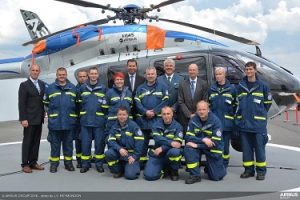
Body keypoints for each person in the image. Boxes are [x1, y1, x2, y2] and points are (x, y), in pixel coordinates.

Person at [236, 61, 272, 181]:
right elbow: (237, 104)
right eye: (247, 69)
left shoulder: (263, 86)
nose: (249, 71)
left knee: (260, 149)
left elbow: (267, 104)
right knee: (246, 150)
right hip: (244, 124)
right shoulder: (240, 86)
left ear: (255, 70)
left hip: (258, 125)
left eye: (251, 69)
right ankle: (248, 170)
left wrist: (258, 115)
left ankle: (261, 171)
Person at [43, 67, 77, 173]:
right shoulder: (50, 88)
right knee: (55, 145)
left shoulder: (73, 88)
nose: (62, 76)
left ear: (66, 75)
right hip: (55, 122)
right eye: (60, 74)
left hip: (69, 122)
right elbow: (45, 103)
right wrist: (51, 114)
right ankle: (54, 164)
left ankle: (68, 163)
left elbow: (77, 104)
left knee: (68, 145)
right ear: (56, 76)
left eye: (63, 74)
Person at [184, 101, 226, 184]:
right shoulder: (193, 120)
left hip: (213, 149)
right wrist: (203, 140)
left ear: (208, 110)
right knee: (188, 148)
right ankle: (195, 175)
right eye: (199, 110)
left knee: (216, 177)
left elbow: (215, 143)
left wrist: (197, 145)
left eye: (204, 109)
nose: (201, 111)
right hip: (202, 146)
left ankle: (212, 166)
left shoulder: (216, 121)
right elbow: (188, 137)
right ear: (196, 111)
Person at [134, 66, 169, 167]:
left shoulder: (162, 86)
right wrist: (145, 112)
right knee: (143, 143)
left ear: (156, 75)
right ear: (146, 75)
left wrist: (154, 111)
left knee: (158, 142)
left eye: (152, 74)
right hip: (143, 121)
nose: (150, 76)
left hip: (157, 121)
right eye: (148, 74)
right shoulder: (140, 88)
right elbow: (137, 102)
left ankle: (157, 163)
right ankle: (141, 163)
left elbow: (165, 100)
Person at [78, 67, 108, 173]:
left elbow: (106, 106)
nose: (93, 75)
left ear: (98, 75)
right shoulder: (82, 88)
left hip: (99, 122)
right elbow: (78, 104)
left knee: (99, 144)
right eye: (91, 73)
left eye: (95, 73)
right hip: (85, 122)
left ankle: (99, 163)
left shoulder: (103, 88)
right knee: (85, 144)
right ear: (88, 75)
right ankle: (85, 164)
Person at [143, 106, 183, 181]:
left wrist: (162, 148)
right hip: (157, 154)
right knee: (149, 176)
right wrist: (171, 142)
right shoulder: (155, 125)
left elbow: (177, 144)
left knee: (175, 151)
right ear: (161, 115)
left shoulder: (178, 126)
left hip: (169, 153)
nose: (166, 116)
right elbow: (157, 140)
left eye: (168, 113)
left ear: (172, 114)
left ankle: (174, 171)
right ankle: (165, 170)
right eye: (164, 114)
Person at [18, 64, 46, 173]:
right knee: (28, 142)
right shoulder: (24, 85)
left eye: (37, 70)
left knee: (36, 142)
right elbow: (22, 103)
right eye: (33, 70)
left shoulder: (42, 84)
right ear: (30, 71)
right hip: (29, 119)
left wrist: (44, 111)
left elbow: (41, 101)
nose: (35, 72)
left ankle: (33, 162)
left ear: (39, 72)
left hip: (39, 118)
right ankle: (25, 164)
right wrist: (23, 118)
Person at [208, 67, 237, 168]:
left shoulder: (232, 89)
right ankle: (215, 164)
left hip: (226, 124)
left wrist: (233, 119)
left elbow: (236, 106)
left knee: (225, 147)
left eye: (220, 74)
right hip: (214, 124)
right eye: (217, 74)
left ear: (224, 75)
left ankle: (224, 165)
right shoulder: (211, 89)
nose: (218, 76)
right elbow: (209, 105)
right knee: (214, 144)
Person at [105, 107, 144, 180]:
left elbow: (140, 142)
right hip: (120, 153)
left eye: (124, 114)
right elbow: (110, 140)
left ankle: (132, 167)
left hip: (131, 155)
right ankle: (118, 170)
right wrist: (119, 149)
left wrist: (135, 157)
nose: (121, 116)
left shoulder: (134, 126)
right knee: (108, 153)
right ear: (117, 115)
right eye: (119, 114)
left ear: (127, 115)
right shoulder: (114, 127)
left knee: (130, 176)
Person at [178, 63, 208, 132]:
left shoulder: (203, 84)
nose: (192, 72)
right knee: (187, 138)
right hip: (185, 118)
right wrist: (189, 114)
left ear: (197, 71)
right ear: (188, 72)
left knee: (198, 138)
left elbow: (205, 101)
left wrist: (197, 114)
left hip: (200, 117)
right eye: (190, 70)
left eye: (194, 70)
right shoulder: (182, 84)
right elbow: (180, 101)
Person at [73, 69, 88, 168]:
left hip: (88, 119)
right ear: (78, 78)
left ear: (87, 77)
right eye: (80, 76)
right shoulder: (75, 89)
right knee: (78, 140)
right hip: (78, 120)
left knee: (86, 140)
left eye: (84, 76)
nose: (82, 78)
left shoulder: (90, 88)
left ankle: (86, 158)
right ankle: (79, 159)